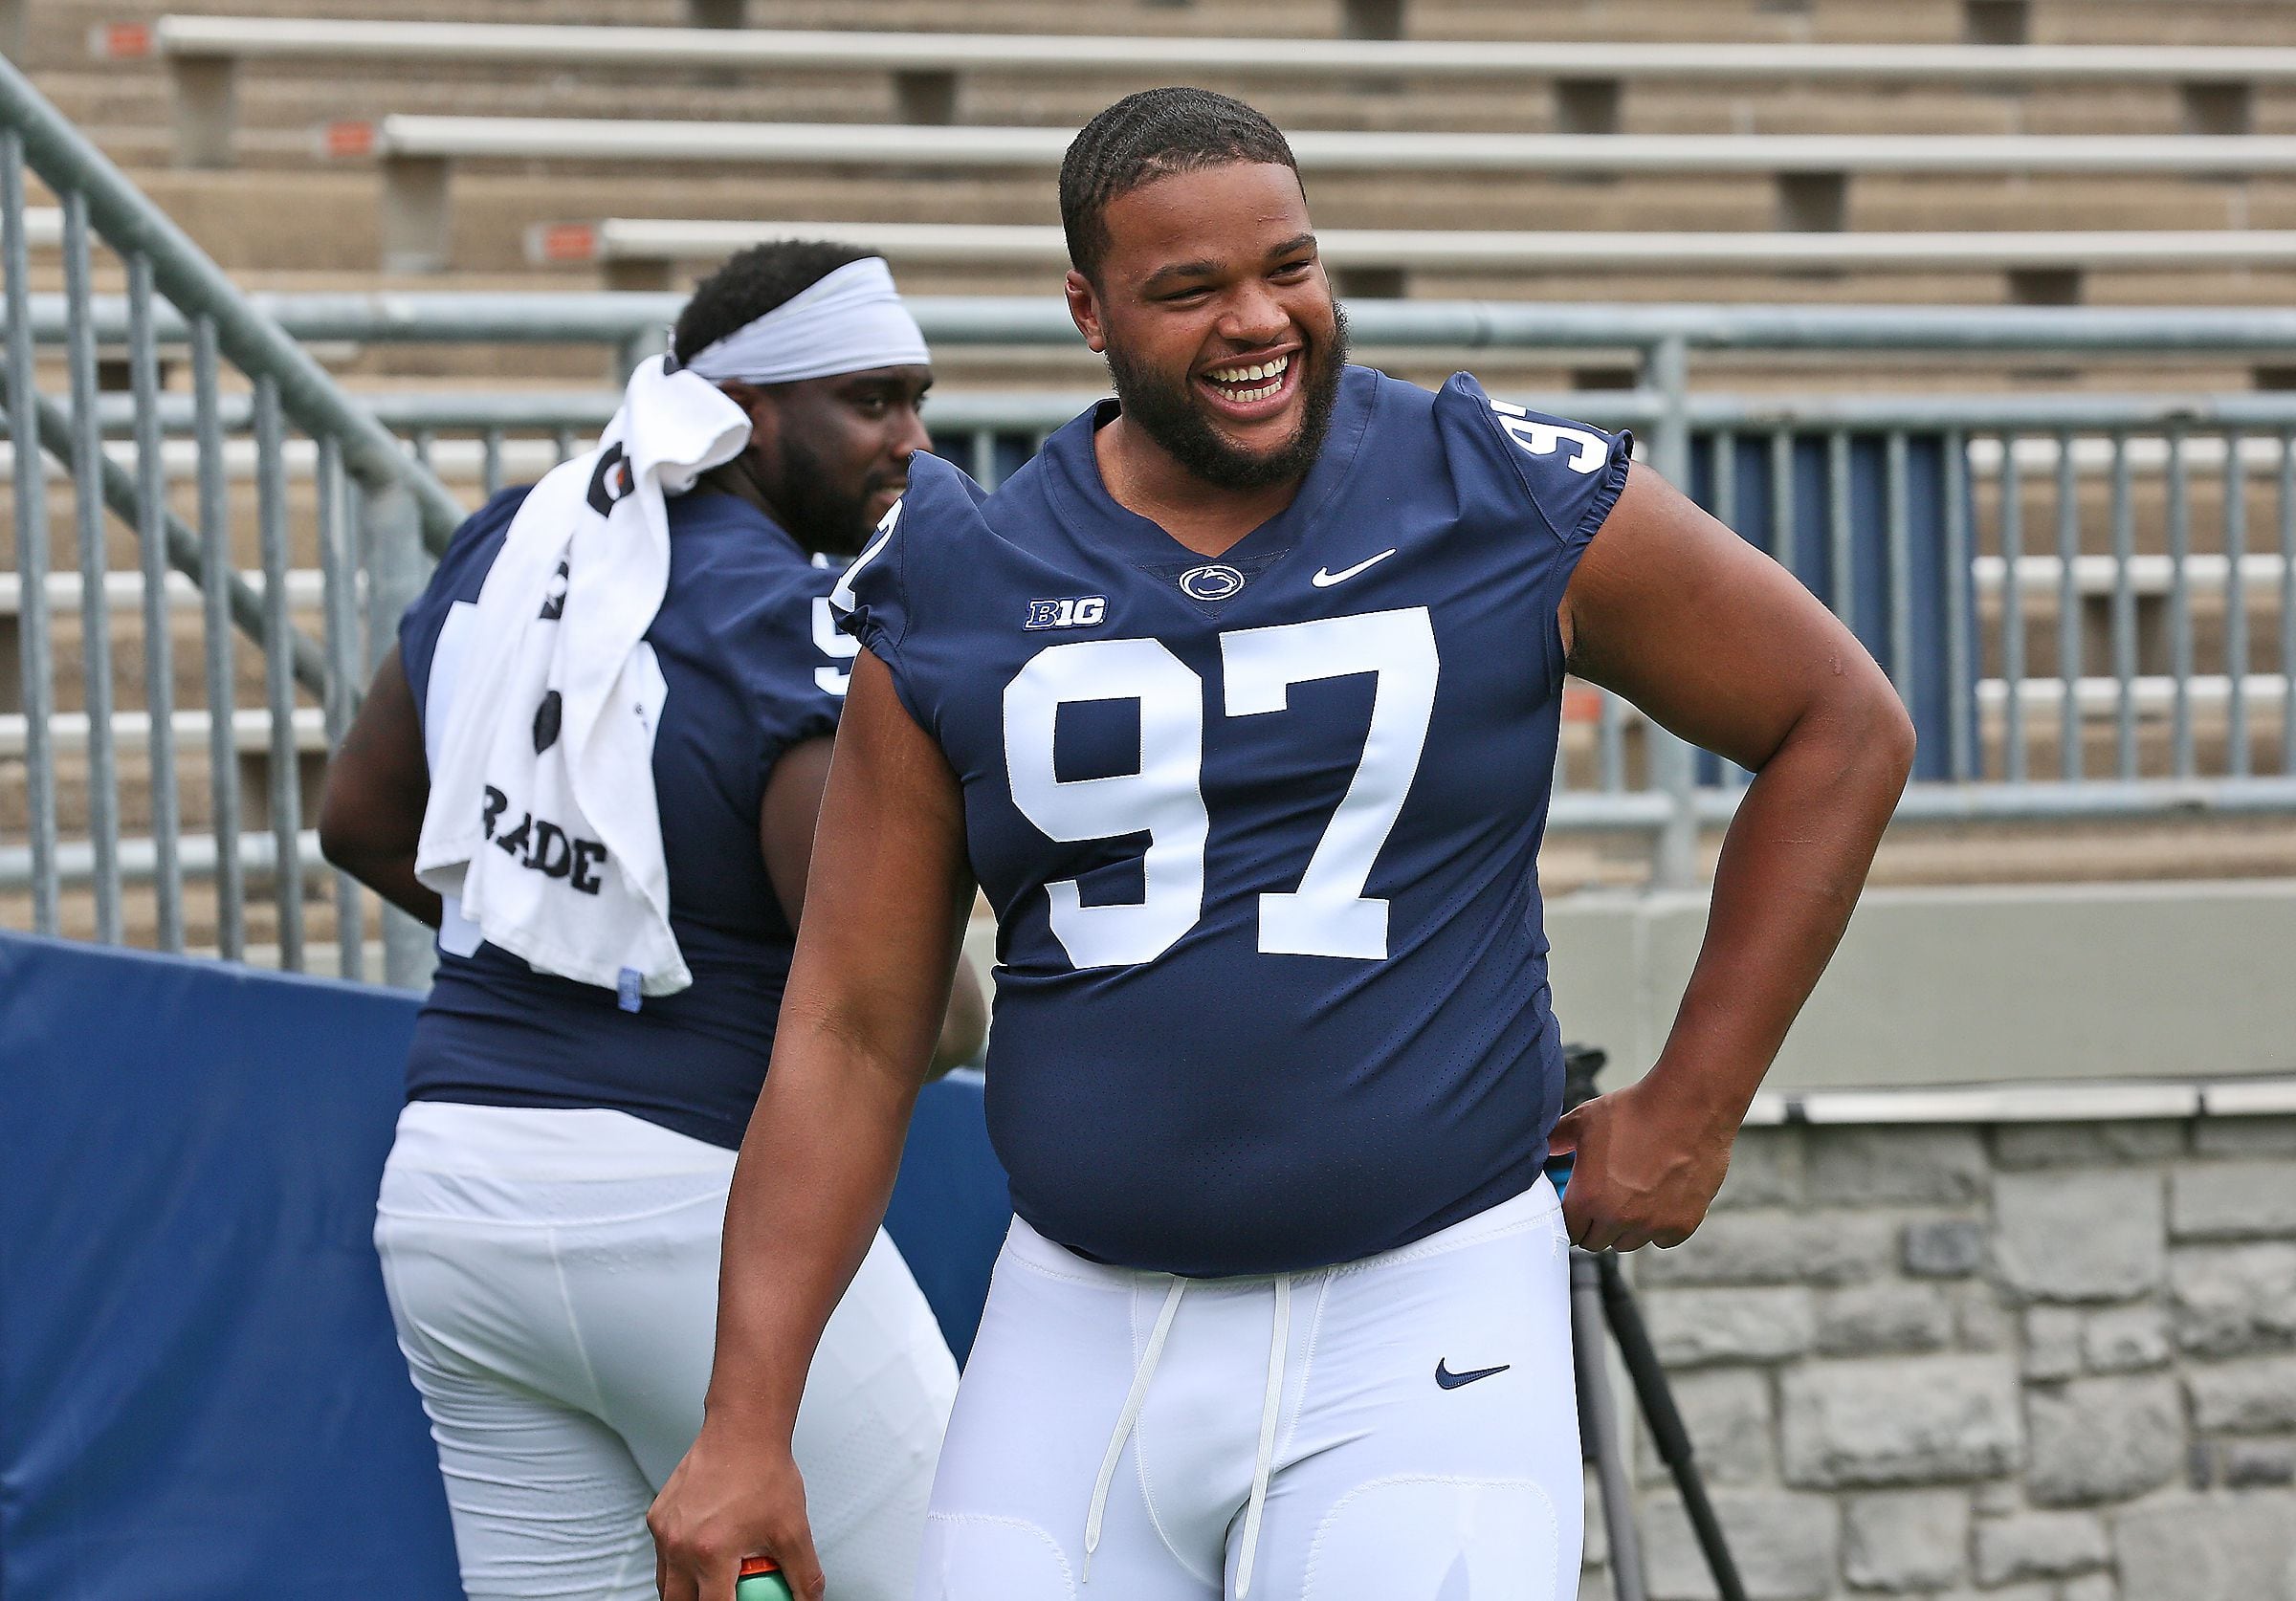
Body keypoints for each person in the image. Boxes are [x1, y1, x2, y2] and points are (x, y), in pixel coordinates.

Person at [649, 89, 1913, 1601]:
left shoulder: (1489, 487)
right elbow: (852, 1027)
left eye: (1290, 268)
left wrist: (1700, 1101)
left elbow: (1840, 722)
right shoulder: (963, 577)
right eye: (1190, 289)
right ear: (1089, 310)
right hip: (1076, 1320)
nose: (1260, 320)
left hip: (1423, 1305)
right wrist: (745, 1420)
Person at [319, 241, 985, 1601]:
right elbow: (902, 1004)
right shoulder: (781, 616)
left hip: (451, 1200)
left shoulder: (516, 537)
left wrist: (569, 922)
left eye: (916, 398)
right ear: (747, 409)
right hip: (691, 1206)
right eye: (873, 399)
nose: (911, 439)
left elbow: (362, 818)